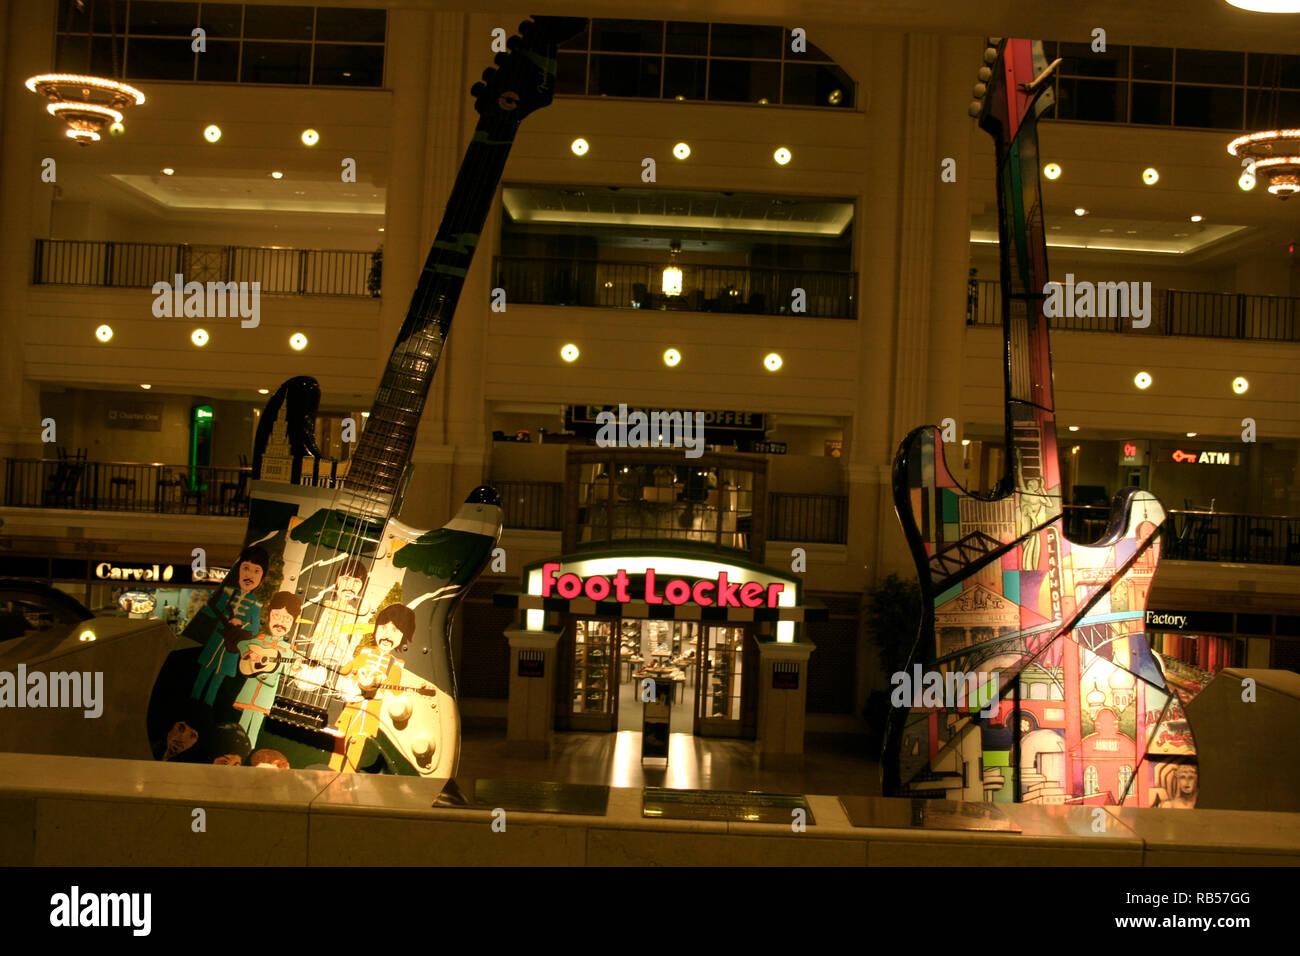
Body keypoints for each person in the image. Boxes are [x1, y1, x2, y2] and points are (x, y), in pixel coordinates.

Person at [328, 603, 416, 772]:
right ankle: (332, 769)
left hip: (372, 708)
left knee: (359, 740)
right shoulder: (366, 653)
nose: (387, 635)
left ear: (403, 636)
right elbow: (345, 670)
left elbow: (395, 689)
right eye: (383, 628)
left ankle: (348, 773)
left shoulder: (396, 664)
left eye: (395, 630)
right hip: (353, 703)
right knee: (340, 737)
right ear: (376, 630)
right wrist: (353, 669)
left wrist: (383, 683)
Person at [189, 546, 268, 706]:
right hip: (215, 641)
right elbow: (211, 613)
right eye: (246, 568)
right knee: (202, 674)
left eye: (256, 571)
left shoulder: (256, 604)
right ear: (238, 570)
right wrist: (201, 603)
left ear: (261, 577)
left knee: (216, 683)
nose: (250, 575)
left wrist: (242, 624)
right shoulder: (227, 592)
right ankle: (192, 703)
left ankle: (207, 707)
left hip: (231, 648)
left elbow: (253, 630)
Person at [232, 591, 301, 747]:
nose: (280, 622)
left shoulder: (288, 649)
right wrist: (251, 654)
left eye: (287, 619)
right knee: (242, 722)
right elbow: (241, 645)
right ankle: (236, 747)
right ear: (269, 615)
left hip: (266, 693)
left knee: (255, 725)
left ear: (293, 622)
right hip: (250, 689)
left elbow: (288, 671)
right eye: (276, 616)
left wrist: (295, 667)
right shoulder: (260, 640)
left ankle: (249, 749)